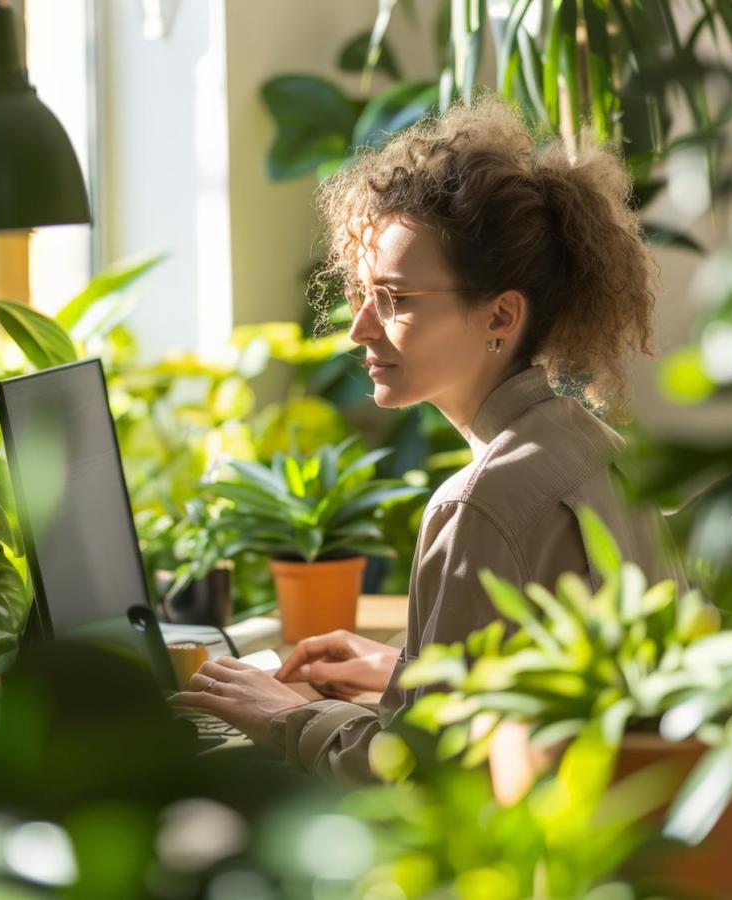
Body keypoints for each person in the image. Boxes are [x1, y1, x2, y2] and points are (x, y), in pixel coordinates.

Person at [172, 94, 686, 782]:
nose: (359, 329)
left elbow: (423, 773)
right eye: (363, 294)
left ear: (500, 315)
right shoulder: (594, 446)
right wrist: (407, 674)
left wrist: (282, 715)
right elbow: (571, 696)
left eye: (396, 300)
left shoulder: (478, 504)